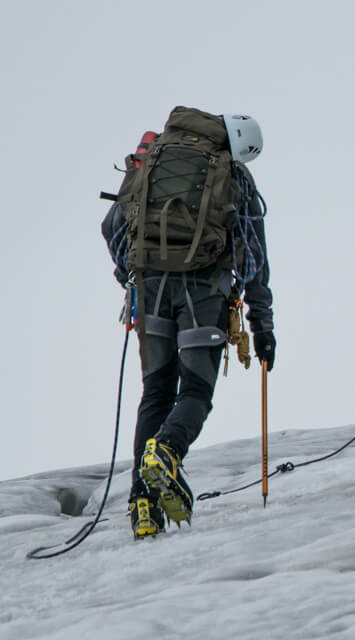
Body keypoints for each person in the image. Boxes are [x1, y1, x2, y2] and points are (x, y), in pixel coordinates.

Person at [101, 107, 275, 539]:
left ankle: (142, 503)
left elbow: (112, 227)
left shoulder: (153, 161)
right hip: (204, 294)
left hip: (150, 291)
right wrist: (262, 325)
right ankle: (168, 450)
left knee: (155, 393)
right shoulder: (234, 177)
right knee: (195, 391)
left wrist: (133, 276)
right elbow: (252, 260)